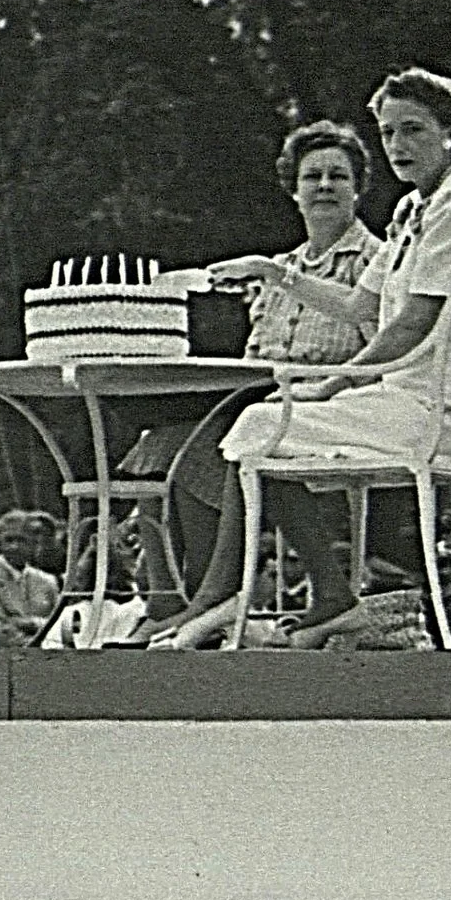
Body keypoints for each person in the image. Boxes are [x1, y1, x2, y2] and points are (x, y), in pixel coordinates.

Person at [157, 67, 451, 650]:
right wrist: (274, 272)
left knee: (266, 424)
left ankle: (232, 596)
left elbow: (415, 323)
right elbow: (354, 303)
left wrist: (333, 384)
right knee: (263, 430)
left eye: (413, 130)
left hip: (442, 409)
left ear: (450, 132)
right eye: (389, 133)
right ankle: (317, 593)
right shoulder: (412, 212)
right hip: (402, 400)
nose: (398, 147)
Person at [117, 120, 383, 633]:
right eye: (313, 177)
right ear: (294, 190)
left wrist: (326, 385)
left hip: (329, 402)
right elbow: (255, 351)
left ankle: (217, 595)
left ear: (358, 188)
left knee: (216, 446)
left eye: (338, 176)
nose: (325, 186)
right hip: (262, 395)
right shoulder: (277, 268)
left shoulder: (372, 263)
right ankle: (171, 600)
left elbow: (377, 351)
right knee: (157, 447)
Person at [0, 509, 60, 648]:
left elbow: (58, 626)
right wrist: (43, 635)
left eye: (21, 540)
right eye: (9, 540)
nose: (15, 547)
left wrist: (28, 623)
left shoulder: (48, 582)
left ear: (33, 543)